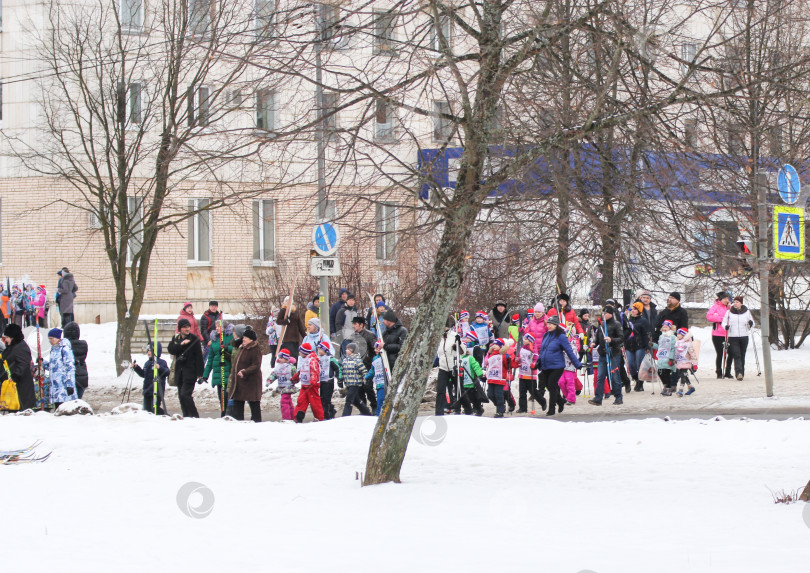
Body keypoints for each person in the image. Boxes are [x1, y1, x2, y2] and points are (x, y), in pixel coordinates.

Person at [534, 316, 583, 416]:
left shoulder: (561, 336)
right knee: (549, 386)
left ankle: (552, 409)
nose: (549, 326)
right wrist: (538, 361)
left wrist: (577, 363)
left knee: (552, 386)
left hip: (557, 366)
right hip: (546, 365)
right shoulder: (546, 335)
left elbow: (569, 351)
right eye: (548, 324)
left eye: (551, 324)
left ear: (556, 325)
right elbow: (543, 350)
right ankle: (560, 401)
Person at [588, 305, 624, 406]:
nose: (604, 315)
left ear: (611, 314)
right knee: (600, 376)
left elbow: (621, 338)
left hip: (613, 354)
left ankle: (618, 397)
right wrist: (594, 342)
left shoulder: (616, 324)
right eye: (603, 313)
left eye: (606, 313)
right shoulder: (602, 325)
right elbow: (598, 337)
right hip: (603, 354)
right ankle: (598, 398)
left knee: (615, 376)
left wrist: (611, 340)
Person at [168, 318, 204, 418]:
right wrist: (181, 344)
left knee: (185, 394)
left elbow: (199, 357)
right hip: (179, 373)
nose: (187, 329)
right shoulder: (176, 339)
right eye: (185, 327)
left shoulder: (194, 339)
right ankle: (186, 416)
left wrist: (200, 373)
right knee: (181, 396)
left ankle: (194, 416)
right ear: (180, 329)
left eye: (188, 327)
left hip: (190, 372)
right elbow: (171, 349)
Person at [228, 327, 263, 422]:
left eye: (245, 338)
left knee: (254, 403)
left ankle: (257, 423)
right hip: (240, 382)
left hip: (251, 382)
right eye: (243, 337)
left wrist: (245, 371)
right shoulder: (242, 347)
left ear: (251, 339)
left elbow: (256, 365)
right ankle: (239, 422)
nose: (243, 339)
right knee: (238, 402)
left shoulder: (255, 349)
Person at [1, 324, 37, 411]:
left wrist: (15, 376)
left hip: (21, 387)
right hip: (14, 387)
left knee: (21, 411)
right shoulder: (12, 346)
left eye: (7, 337)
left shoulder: (21, 347)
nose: (5, 340)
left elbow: (23, 364)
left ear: (12, 337)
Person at [202, 322, 233, 417]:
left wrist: (227, 348)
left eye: (219, 326)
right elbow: (210, 359)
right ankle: (223, 414)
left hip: (227, 370)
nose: (217, 328)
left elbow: (235, 349)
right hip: (217, 372)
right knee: (221, 397)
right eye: (216, 327)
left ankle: (229, 414)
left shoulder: (230, 337)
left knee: (228, 396)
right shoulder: (215, 340)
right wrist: (205, 375)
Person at [721, 295, 755, 381]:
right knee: (737, 354)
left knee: (742, 355)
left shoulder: (746, 312)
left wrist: (751, 323)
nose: (735, 304)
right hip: (733, 336)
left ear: (741, 303)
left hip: (744, 336)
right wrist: (726, 326)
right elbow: (723, 322)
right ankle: (738, 373)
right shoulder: (729, 312)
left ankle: (741, 373)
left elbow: (752, 322)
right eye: (734, 302)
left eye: (737, 302)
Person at [348, 317, 378, 412]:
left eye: (355, 324)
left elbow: (374, 348)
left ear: (361, 325)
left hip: (368, 365)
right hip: (357, 365)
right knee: (360, 388)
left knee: (368, 387)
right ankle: (364, 409)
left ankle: (374, 406)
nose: (353, 326)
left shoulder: (370, 335)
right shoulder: (353, 336)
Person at [133, 343, 170, 415]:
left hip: (157, 390)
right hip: (147, 390)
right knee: (147, 409)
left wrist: (160, 368)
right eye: (148, 351)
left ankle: (165, 416)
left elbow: (167, 372)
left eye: (151, 351)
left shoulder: (161, 362)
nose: (149, 353)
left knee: (155, 408)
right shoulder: (147, 363)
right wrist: (136, 368)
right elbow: (144, 374)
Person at [46, 328, 77, 408]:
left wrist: (70, 384)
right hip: (55, 388)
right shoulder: (53, 349)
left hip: (63, 387)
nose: (50, 341)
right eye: (49, 339)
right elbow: (53, 366)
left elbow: (70, 367)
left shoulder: (65, 349)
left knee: (64, 409)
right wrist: (43, 363)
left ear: (57, 338)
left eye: (51, 338)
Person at [292, 342, 324, 422]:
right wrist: (295, 378)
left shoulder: (312, 360)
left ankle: (319, 418)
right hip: (305, 384)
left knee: (315, 403)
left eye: (300, 351)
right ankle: (297, 417)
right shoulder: (305, 360)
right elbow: (301, 371)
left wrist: (313, 380)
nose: (299, 353)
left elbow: (314, 371)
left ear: (304, 352)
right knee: (301, 401)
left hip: (312, 385)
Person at [435, 319, 461, 416]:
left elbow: (463, 351)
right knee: (440, 389)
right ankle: (439, 412)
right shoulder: (438, 337)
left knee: (458, 388)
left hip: (454, 366)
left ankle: (459, 409)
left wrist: (458, 345)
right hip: (443, 367)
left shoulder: (454, 336)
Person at [484, 339, 515, 418]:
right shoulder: (491, 354)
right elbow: (488, 364)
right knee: (490, 394)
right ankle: (499, 405)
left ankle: (500, 411)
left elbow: (508, 365)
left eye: (496, 344)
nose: (494, 345)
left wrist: (508, 360)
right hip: (491, 377)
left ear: (501, 346)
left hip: (499, 378)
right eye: (493, 344)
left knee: (499, 395)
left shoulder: (503, 355)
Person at [624, 302, 650, 392]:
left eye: (635, 309)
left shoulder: (643, 321)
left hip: (640, 345)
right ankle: (636, 378)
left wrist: (647, 346)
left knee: (640, 365)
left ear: (639, 311)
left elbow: (646, 334)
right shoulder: (628, 320)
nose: (632, 311)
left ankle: (640, 383)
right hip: (629, 345)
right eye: (632, 309)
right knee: (631, 365)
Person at [706, 291, 732, 379]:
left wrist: (730, 308)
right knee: (720, 353)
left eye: (727, 298)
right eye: (725, 298)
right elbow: (709, 316)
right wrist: (721, 319)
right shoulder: (715, 306)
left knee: (731, 352)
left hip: (728, 333)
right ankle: (719, 371)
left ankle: (728, 371)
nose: (726, 300)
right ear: (721, 299)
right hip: (717, 333)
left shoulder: (729, 307)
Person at [341, 343, 372, 416]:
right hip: (348, 383)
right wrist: (341, 379)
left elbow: (364, 371)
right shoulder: (345, 360)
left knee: (349, 400)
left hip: (355, 383)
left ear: (353, 350)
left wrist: (366, 379)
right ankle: (366, 412)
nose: (346, 350)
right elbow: (343, 371)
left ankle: (345, 415)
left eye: (348, 349)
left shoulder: (357, 360)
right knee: (356, 400)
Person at [267, 348, 298, 420]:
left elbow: (295, 376)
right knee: (288, 402)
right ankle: (292, 417)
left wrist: (295, 380)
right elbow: (274, 374)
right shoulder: (278, 367)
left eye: (281, 358)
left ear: (286, 359)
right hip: (282, 386)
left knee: (284, 402)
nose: (279, 359)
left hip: (288, 387)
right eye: (279, 358)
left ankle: (286, 418)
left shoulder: (291, 367)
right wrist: (269, 380)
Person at [517, 333, 545, 412]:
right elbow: (519, 356)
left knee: (533, 391)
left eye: (526, 339)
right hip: (522, 373)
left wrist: (534, 364)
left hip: (530, 373)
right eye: (524, 339)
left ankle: (542, 401)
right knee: (522, 392)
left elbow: (536, 358)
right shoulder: (522, 347)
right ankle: (523, 408)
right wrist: (517, 359)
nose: (523, 340)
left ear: (530, 340)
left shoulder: (533, 348)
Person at [63, 322, 88, 400]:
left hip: (72, 377)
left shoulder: (66, 346)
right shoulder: (83, 345)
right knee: (78, 400)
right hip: (82, 377)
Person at [457, 344, 485, 416]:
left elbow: (476, 366)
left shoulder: (470, 358)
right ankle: (468, 409)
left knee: (474, 397)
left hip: (470, 382)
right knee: (465, 398)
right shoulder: (457, 359)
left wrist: (479, 374)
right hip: (462, 382)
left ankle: (478, 409)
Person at [317, 341, 340, 420]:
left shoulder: (331, 359)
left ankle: (326, 415)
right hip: (321, 381)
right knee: (322, 398)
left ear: (325, 350)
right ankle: (331, 410)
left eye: (320, 349)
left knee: (326, 399)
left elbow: (338, 368)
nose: (318, 351)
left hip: (329, 381)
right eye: (318, 349)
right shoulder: (319, 359)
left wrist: (339, 377)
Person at [654, 320, 678, 396]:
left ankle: (668, 388)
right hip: (661, 357)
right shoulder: (661, 336)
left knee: (666, 373)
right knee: (660, 372)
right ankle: (665, 385)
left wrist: (671, 358)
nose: (664, 328)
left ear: (670, 328)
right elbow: (660, 347)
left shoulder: (673, 337)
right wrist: (652, 345)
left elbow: (673, 348)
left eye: (666, 327)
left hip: (668, 358)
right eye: (663, 327)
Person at [673, 328, 698, 396]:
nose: (677, 335)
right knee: (683, 375)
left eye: (679, 334)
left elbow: (693, 354)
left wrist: (695, 364)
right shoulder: (677, 342)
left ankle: (681, 390)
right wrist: (674, 359)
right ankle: (691, 387)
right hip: (680, 361)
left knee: (683, 375)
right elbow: (676, 352)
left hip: (686, 361)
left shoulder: (688, 344)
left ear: (684, 335)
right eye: (677, 334)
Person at [365, 343, 387, 416]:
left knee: (381, 400)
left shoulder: (385, 357)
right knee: (379, 400)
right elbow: (372, 370)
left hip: (384, 383)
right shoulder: (375, 358)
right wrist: (366, 377)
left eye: (377, 348)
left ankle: (379, 415)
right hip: (378, 382)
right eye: (375, 349)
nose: (376, 350)